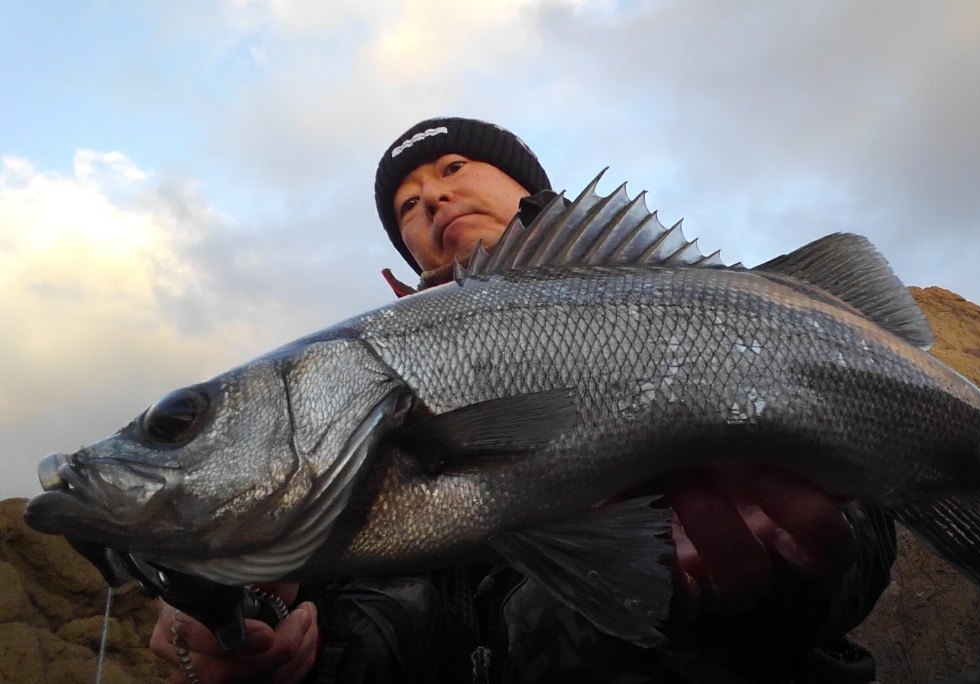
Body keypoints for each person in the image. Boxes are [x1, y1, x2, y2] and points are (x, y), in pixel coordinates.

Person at [150, 117, 896, 683]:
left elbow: (854, 536)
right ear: (404, 260)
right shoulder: (349, 423)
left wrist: (773, 580)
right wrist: (258, 624)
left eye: (453, 167)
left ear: (531, 194)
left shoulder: (693, 302)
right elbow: (383, 637)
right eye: (408, 206)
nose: (434, 196)